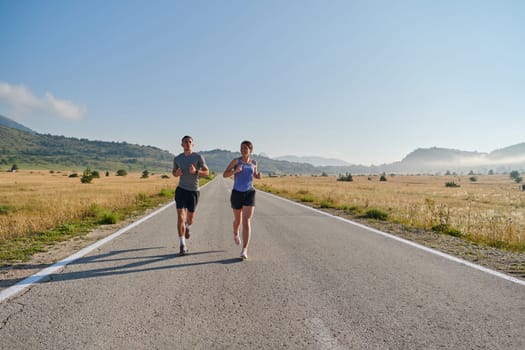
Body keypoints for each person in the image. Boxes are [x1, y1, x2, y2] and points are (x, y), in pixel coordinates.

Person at [222, 140, 261, 260]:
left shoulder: (254, 162)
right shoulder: (236, 161)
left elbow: (253, 175)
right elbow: (224, 174)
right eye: (241, 148)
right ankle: (235, 233)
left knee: (246, 220)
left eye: (245, 148)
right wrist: (235, 171)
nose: (243, 150)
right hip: (237, 193)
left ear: (250, 150)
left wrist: (257, 176)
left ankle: (244, 250)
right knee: (237, 221)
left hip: (249, 193)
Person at [172, 135, 209, 256]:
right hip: (181, 190)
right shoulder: (177, 158)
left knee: (190, 219)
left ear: (193, 144)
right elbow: (174, 172)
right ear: (181, 144)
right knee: (180, 217)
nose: (187, 144)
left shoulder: (198, 157)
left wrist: (196, 172)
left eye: (190, 142)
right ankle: (182, 245)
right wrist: (176, 173)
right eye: (185, 142)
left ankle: (187, 226)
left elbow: (207, 173)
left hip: (193, 191)